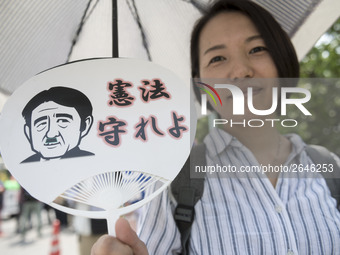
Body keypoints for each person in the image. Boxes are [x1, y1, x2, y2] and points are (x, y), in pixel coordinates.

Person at [91, 0, 340, 254]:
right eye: (218, 58)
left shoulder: (330, 168)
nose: (241, 71)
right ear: (200, 84)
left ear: (281, 61)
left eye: (256, 49)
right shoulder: (176, 182)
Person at [21, 86, 94, 163]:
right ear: (28, 132)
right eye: (42, 123)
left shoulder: (94, 164)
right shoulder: (23, 167)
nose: (51, 134)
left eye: (62, 121)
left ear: (85, 125)